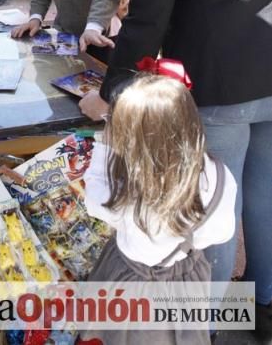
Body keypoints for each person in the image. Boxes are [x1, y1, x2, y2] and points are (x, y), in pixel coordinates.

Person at [79, 0, 272, 333]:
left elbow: (147, 21)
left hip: (216, 85)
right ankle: (266, 310)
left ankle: (206, 326)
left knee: (214, 209)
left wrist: (114, 89)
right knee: (265, 195)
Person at [82, 73, 237, 345]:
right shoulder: (218, 174)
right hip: (186, 277)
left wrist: (103, 144)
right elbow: (222, 232)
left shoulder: (127, 190)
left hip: (130, 279)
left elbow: (94, 202)